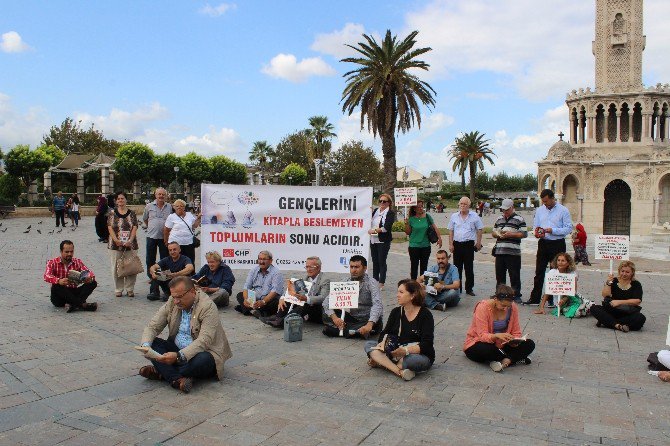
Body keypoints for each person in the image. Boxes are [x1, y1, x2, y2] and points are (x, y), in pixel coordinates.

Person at [138, 276, 232, 393]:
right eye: (174, 297)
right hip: (176, 349)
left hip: (202, 352)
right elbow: (153, 326)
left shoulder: (207, 306)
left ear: (192, 292)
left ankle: (163, 372)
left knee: (203, 360)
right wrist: (146, 346)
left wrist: (178, 356)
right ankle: (177, 379)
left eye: (180, 297)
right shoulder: (172, 301)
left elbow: (204, 341)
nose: (176, 301)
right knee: (153, 343)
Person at [364, 279, 435, 381]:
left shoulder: (425, 315)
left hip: (417, 354)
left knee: (411, 361)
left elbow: (427, 344)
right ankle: (399, 371)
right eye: (398, 292)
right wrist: (382, 343)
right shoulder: (396, 312)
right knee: (369, 345)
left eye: (401, 292)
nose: (397, 295)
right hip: (395, 351)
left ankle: (382, 362)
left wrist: (405, 351)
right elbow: (385, 333)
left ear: (412, 295)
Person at [463, 285, 535, 372]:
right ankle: (515, 358)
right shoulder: (482, 307)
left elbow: (516, 331)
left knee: (530, 343)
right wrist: (496, 336)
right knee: (487, 350)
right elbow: (482, 335)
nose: (505, 309)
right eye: (503, 305)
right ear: (496, 299)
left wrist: (515, 341)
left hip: (502, 344)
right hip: (481, 342)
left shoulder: (512, 307)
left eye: (508, 306)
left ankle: (506, 360)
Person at [525, 189, 573, 305]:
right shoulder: (540, 210)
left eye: (546, 201)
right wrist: (536, 233)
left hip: (557, 243)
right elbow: (536, 226)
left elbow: (568, 228)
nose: (544, 203)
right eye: (543, 201)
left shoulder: (563, 210)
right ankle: (535, 298)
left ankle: (552, 299)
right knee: (539, 271)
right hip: (543, 243)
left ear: (552, 198)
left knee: (556, 271)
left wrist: (553, 230)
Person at [323, 255, 383, 338]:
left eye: (357, 267)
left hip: (366, 319)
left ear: (364, 268)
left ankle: (342, 331)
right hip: (351, 317)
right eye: (351, 267)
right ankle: (353, 331)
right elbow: (326, 301)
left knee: (376, 321)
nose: (353, 270)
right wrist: (335, 318)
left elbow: (377, 304)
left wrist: (370, 323)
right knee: (326, 311)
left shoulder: (372, 283)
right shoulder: (345, 282)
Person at [261, 256, 330, 328]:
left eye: (311, 267)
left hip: (317, 309)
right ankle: (278, 317)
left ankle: (283, 322)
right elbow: (292, 289)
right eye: (307, 267)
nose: (308, 269)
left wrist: (307, 299)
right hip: (305, 304)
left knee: (304, 305)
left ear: (319, 267)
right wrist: (283, 297)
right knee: (287, 300)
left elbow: (323, 297)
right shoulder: (305, 277)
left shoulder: (325, 280)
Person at [43, 240, 98, 313]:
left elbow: (88, 272)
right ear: (61, 251)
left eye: (71, 252)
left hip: (73, 291)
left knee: (93, 283)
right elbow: (46, 276)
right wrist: (59, 280)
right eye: (66, 252)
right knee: (56, 286)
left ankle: (74, 304)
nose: (69, 254)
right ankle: (82, 305)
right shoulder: (52, 262)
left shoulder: (77, 261)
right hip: (59, 296)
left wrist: (89, 278)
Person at [590, 261, 646, 332]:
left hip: (626, 313)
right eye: (622, 271)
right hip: (611, 310)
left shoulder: (636, 284)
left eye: (627, 272)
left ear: (632, 273)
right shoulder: (614, 281)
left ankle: (607, 322)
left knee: (641, 318)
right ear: (619, 271)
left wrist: (619, 302)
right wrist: (608, 283)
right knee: (594, 308)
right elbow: (605, 295)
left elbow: (637, 301)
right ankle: (618, 325)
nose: (624, 274)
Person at [492, 198, 527, 303]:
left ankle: (516, 294)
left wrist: (510, 234)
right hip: (500, 251)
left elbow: (524, 234)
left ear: (512, 208)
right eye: (503, 209)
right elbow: (493, 232)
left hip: (513, 252)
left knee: (514, 274)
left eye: (507, 209)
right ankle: (500, 294)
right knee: (499, 274)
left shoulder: (519, 219)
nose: (505, 211)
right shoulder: (499, 219)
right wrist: (498, 234)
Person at [448, 197, 483, 296]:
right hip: (457, 244)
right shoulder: (454, 216)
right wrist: (451, 244)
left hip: (468, 244)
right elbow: (450, 230)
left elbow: (480, 229)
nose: (463, 206)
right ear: (459, 205)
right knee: (457, 268)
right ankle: (457, 288)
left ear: (469, 205)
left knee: (469, 268)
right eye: (461, 204)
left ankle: (469, 288)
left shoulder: (474, 216)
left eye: (465, 204)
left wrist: (478, 242)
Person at [107, 191, 140, 297]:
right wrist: (116, 240)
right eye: (118, 199)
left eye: (122, 198)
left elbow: (134, 227)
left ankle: (130, 288)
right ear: (116, 201)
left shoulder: (132, 213)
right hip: (115, 245)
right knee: (116, 267)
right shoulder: (112, 213)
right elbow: (109, 227)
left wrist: (130, 240)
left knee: (131, 267)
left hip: (131, 245)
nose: (120, 200)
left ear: (126, 200)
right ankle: (118, 288)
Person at [235, 251, 285, 317]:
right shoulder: (254, 270)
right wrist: (246, 299)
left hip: (268, 300)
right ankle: (256, 311)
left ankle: (247, 310)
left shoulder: (276, 273)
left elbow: (274, 292)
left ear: (271, 261)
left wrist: (263, 302)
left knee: (276, 303)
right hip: (255, 299)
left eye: (264, 259)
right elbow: (247, 286)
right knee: (240, 295)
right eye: (260, 259)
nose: (261, 262)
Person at [143, 188, 173, 300]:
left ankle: (165, 288)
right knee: (150, 260)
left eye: (163, 194)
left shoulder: (170, 207)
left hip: (164, 238)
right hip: (151, 236)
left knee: (164, 261)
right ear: (155, 195)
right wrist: (153, 226)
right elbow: (145, 219)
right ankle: (154, 285)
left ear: (165, 196)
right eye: (159, 194)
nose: (161, 196)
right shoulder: (149, 206)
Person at [405, 199, 442, 280]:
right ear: (414, 209)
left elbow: (435, 228)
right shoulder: (411, 219)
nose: (421, 208)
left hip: (425, 246)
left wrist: (440, 239)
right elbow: (408, 233)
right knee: (414, 266)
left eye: (422, 206)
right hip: (414, 246)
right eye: (418, 207)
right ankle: (413, 284)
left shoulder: (427, 217)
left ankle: (422, 284)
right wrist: (406, 223)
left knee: (424, 266)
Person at [368, 193, 396, 290]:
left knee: (381, 261)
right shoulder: (375, 211)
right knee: (375, 261)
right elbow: (368, 221)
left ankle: (381, 282)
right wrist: (368, 213)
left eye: (384, 201)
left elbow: (386, 228)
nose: (382, 203)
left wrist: (374, 231)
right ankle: (375, 281)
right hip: (373, 239)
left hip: (383, 240)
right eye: (380, 201)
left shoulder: (390, 213)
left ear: (389, 203)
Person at [164, 199, 201, 266]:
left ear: (184, 207)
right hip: (175, 244)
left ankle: (190, 276)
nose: (179, 207)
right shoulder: (171, 217)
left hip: (188, 243)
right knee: (176, 262)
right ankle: (176, 276)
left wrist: (198, 218)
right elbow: (166, 230)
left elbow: (194, 226)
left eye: (181, 206)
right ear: (174, 207)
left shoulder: (189, 215)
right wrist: (166, 241)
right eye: (177, 206)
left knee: (190, 261)